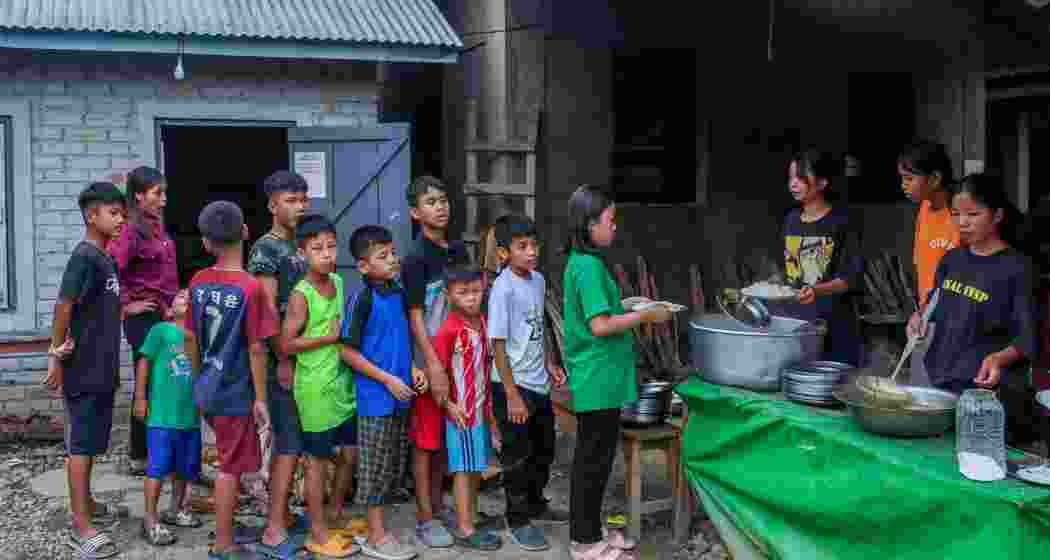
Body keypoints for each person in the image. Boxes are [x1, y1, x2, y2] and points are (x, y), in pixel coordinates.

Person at [561, 185, 671, 560]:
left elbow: (600, 311)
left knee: (597, 458)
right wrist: (645, 315)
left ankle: (591, 528)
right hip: (597, 375)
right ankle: (585, 542)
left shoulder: (581, 261)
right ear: (590, 224)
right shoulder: (589, 266)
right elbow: (600, 326)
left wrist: (629, 304)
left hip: (599, 376)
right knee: (592, 461)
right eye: (610, 221)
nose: (615, 228)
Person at [909, 173, 1039, 443]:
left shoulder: (1018, 269)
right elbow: (933, 305)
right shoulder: (952, 260)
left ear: (997, 216)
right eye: (956, 214)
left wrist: (998, 359)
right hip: (941, 386)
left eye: (973, 214)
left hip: (984, 396)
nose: (962, 223)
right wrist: (919, 317)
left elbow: (1028, 338)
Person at [187, 201, 277, 560]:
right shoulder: (250, 287)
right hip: (236, 391)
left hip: (209, 387)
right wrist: (260, 398)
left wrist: (198, 380)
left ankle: (228, 527)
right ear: (244, 233)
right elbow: (257, 348)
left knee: (230, 459)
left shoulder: (197, 281)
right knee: (229, 467)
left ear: (206, 243)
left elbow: (191, 338)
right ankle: (224, 545)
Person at [46, 182, 126, 560]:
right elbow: (64, 305)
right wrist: (56, 356)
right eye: (113, 213)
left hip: (103, 363)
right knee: (80, 443)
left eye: (121, 213)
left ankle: (88, 502)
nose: (120, 219)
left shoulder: (105, 258)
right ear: (91, 216)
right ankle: (80, 526)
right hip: (82, 366)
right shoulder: (84, 256)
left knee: (93, 440)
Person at [340, 224, 426, 560]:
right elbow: (346, 351)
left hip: (400, 396)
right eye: (383, 255)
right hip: (375, 399)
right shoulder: (361, 298)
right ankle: (375, 536)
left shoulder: (399, 293)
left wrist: (414, 369)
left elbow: (400, 340)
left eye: (392, 253)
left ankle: (378, 528)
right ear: (363, 266)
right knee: (374, 469)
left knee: (391, 465)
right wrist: (387, 379)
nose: (392, 260)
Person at [487, 213, 569, 552]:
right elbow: (499, 345)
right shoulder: (502, 290)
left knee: (544, 448)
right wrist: (511, 396)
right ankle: (517, 518)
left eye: (534, 245)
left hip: (537, 382)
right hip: (512, 385)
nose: (532, 252)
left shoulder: (537, 280)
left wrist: (550, 360)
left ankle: (535, 503)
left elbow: (540, 326)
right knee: (517, 455)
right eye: (522, 247)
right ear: (504, 253)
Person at [280, 214, 358, 558]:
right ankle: (318, 530)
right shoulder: (302, 293)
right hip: (313, 387)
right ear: (302, 253)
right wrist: (327, 337)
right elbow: (286, 343)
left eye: (331, 246)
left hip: (341, 382)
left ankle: (336, 512)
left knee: (349, 454)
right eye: (317, 249)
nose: (326, 254)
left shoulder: (338, 282)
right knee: (317, 461)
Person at [401, 175, 470, 547]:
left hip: (459, 357)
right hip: (430, 362)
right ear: (415, 212)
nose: (440, 207)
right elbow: (414, 317)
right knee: (426, 440)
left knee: (448, 437)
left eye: (443, 200)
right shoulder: (415, 259)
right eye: (431, 202)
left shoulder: (457, 252)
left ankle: (442, 507)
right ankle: (425, 517)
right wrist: (432, 366)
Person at [247, 171, 311, 558]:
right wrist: (283, 359)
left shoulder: (302, 246)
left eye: (303, 199)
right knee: (286, 441)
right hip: (280, 359)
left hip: (308, 355)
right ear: (273, 205)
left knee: (298, 439)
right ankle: (273, 527)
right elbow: (268, 312)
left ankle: (283, 513)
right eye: (291, 200)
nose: (300, 206)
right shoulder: (266, 251)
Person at [109, 166, 179, 476]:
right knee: (147, 382)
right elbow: (111, 270)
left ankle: (155, 450)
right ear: (138, 196)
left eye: (164, 193)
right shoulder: (130, 231)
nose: (163, 200)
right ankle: (140, 455)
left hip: (162, 313)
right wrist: (127, 304)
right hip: (143, 318)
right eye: (156, 194)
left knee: (161, 381)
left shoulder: (157, 227)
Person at [431, 263, 501, 551]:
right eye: (463, 293)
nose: (471, 298)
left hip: (480, 410)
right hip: (461, 414)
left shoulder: (483, 322)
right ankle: (465, 527)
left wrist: (491, 414)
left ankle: (470, 515)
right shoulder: (449, 331)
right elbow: (439, 374)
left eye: (476, 291)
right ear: (449, 295)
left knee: (475, 468)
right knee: (463, 469)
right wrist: (449, 406)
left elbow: (486, 367)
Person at [781, 148, 864, 367]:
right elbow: (792, 273)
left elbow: (850, 278)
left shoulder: (842, 222)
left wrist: (816, 290)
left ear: (822, 183)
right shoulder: (791, 220)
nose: (793, 183)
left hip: (835, 326)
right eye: (790, 177)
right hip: (799, 323)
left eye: (800, 177)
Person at [134, 288, 203, 546]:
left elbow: (199, 372)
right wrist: (140, 397)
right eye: (180, 296)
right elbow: (144, 362)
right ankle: (150, 519)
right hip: (162, 415)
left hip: (190, 417)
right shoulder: (161, 331)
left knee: (185, 468)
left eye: (191, 297)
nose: (186, 298)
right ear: (169, 309)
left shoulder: (196, 337)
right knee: (158, 467)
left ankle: (175, 509)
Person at [899, 140, 960, 386]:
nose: (903, 185)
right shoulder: (924, 208)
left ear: (934, 179)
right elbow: (924, 268)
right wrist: (920, 311)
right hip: (928, 318)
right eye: (902, 178)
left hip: (955, 321)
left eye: (909, 178)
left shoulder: (959, 214)